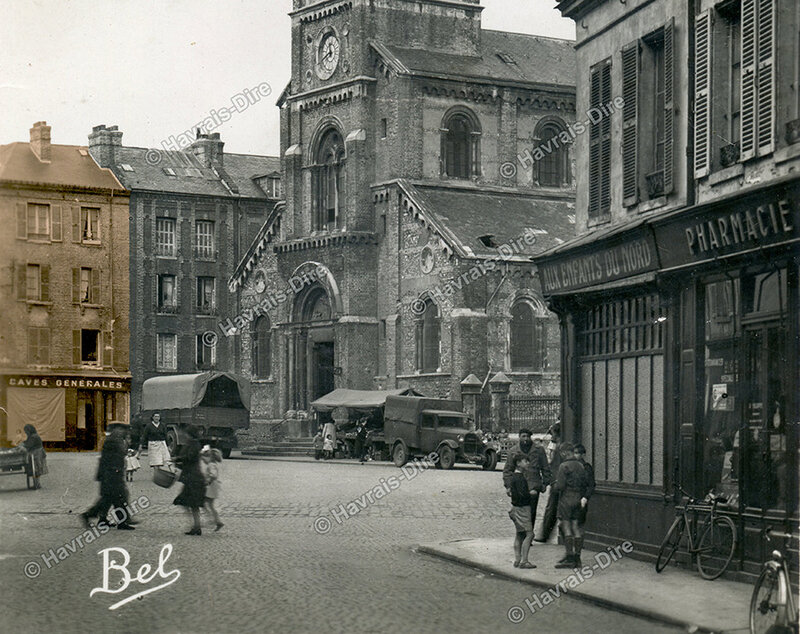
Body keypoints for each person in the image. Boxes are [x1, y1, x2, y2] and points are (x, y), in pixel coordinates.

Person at [83, 422, 135, 530]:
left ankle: (103, 520)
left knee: (109, 499)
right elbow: (113, 457)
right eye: (123, 429)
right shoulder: (114, 440)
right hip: (111, 474)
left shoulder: (115, 439)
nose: (125, 431)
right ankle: (122, 522)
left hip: (111, 473)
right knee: (120, 497)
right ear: (117, 429)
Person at [503, 428, 551, 538]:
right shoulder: (513, 451)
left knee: (531, 511)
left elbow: (545, 468)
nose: (526, 439)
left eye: (528, 436)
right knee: (520, 510)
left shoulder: (539, 450)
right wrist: (508, 486)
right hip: (518, 486)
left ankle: (529, 535)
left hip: (533, 485)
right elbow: (508, 470)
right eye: (523, 436)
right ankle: (521, 534)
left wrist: (544, 483)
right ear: (519, 437)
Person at [552, 442, 589, 569]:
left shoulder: (564, 466)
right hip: (578, 498)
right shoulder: (580, 465)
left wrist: (555, 484)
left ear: (564, 453)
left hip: (566, 498)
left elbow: (560, 486)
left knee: (565, 526)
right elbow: (585, 482)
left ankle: (569, 556)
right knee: (576, 527)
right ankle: (577, 558)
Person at [173, 426, 207, 535]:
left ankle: (197, 526)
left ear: (190, 434)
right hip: (192, 477)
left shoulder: (193, 444)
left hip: (193, 478)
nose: (185, 435)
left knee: (190, 503)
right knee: (192, 504)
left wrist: (177, 459)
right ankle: (196, 526)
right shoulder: (193, 443)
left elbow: (190, 457)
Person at [508, 455, 536, 569]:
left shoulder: (513, 476)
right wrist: (531, 493)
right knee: (529, 534)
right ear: (518, 463)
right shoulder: (520, 478)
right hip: (523, 509)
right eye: (526, 461)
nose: (528, 463)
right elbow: (522, 495)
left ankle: (517, 559)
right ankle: (524, 561)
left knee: (519, 534)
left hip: (515, 508)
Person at [537, 422, 562, 543]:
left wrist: (552, 480)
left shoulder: (560, 447)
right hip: (558, 481)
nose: (552, 437)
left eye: (553, 434)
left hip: (557, 482)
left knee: (551, 508)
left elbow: (556, 465)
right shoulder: (561, 446)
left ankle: (544, 534)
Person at [201, 445, 224, 531]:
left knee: (204, 503)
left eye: (204, 459)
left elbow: (213, 475)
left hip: (211, 487)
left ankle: (211, 519)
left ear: (209, 457)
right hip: (213, 487)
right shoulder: (213, 464)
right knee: (210, 505)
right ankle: (217, 521)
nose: (203, 461)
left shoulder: (211, 465)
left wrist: (208, 480)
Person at [19, 424, 47, 489]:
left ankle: (36, 484)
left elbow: (28, 445)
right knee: (36, 469)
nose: (26, 433)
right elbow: (27, 442)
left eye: (26, 431)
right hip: (37, 453)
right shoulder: (33, 436)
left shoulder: (33, 437)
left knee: (35, 469)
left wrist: (22, 446)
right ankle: (37, 484)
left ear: (29, 430)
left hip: (36, 454)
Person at [574, 444, 595, 530]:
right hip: (569, 498)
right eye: (574, 453)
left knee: (579, 525)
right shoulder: (568, 466)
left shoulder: (586, 468)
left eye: (577, 453)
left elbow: (591, 484)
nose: (575, 455)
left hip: (580, 497)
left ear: (583, 455)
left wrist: (585, 498)